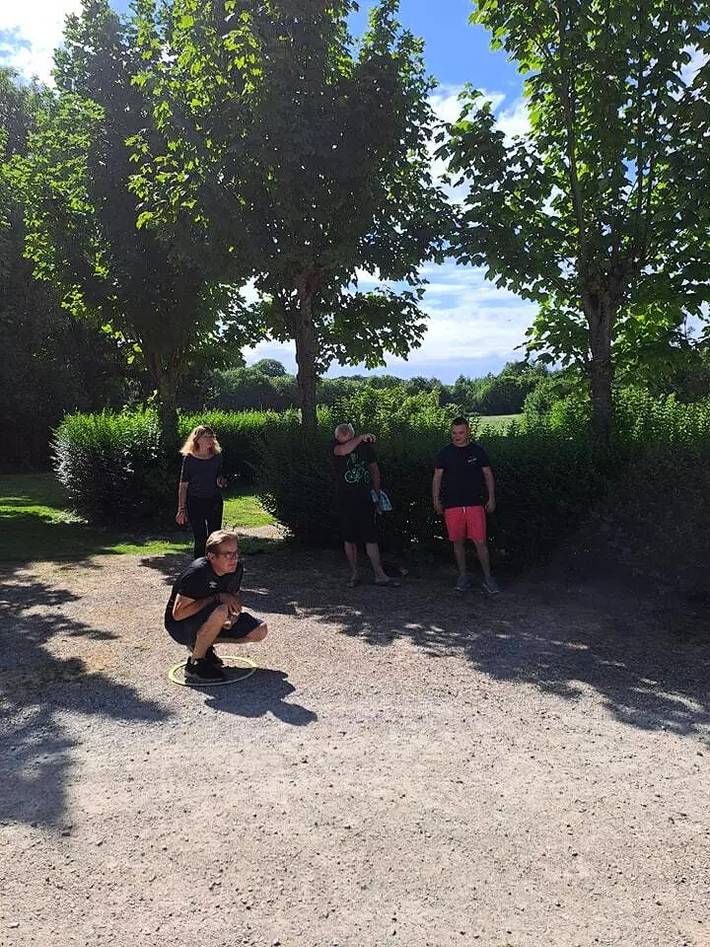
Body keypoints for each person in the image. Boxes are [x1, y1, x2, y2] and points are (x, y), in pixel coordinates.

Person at [164, 529, 268, 683]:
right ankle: (195, 664)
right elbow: (178, 614)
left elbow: (234, 598)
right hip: (180, 626)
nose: (234, 558)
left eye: (236, 552)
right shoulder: (197, 573)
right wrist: (217, 597)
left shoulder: (236, 569)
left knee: (260, 630)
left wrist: (234, 616)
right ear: (211, 556)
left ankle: (203, 646)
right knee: (220, 609)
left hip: (214, 618)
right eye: (228, 554)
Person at [432, 416, 501, 595]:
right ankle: (463, 576)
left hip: (474, 504)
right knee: (457, 542)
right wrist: (435, 498)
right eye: (454, 433)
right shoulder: (444, 453)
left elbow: (488, 474)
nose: (457, 436)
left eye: (461, 433)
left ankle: (488, 578)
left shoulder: (478, 451)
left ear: (468, 431)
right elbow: (437, 477)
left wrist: (491, 497)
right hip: (452, 504)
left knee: (480, 542)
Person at [333, 423, 400, 588]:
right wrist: (360, 438)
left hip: (365, 499)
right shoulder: (334, 447)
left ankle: (380, 575)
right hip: (345, 500)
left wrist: (376, 493)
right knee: (349, 539)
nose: (346, 440)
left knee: (371, 537)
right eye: (343, 437)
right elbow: (344, 450)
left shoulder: (365, 449)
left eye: (349, 436)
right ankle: (355, 574)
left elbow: (374, 470)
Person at [175, 424, 227, 559]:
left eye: (211, 436)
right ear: (197, 439)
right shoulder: (189, 459)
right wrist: (181, 509)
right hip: (195, 501)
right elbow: (183, 485)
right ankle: (199, 568)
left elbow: (220, 477)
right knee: (200, 538)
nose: (209, 439)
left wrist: (221, 481)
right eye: (205, 437)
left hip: (214, 500)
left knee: (215, 537)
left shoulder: (217, 457)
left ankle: (215, 565)